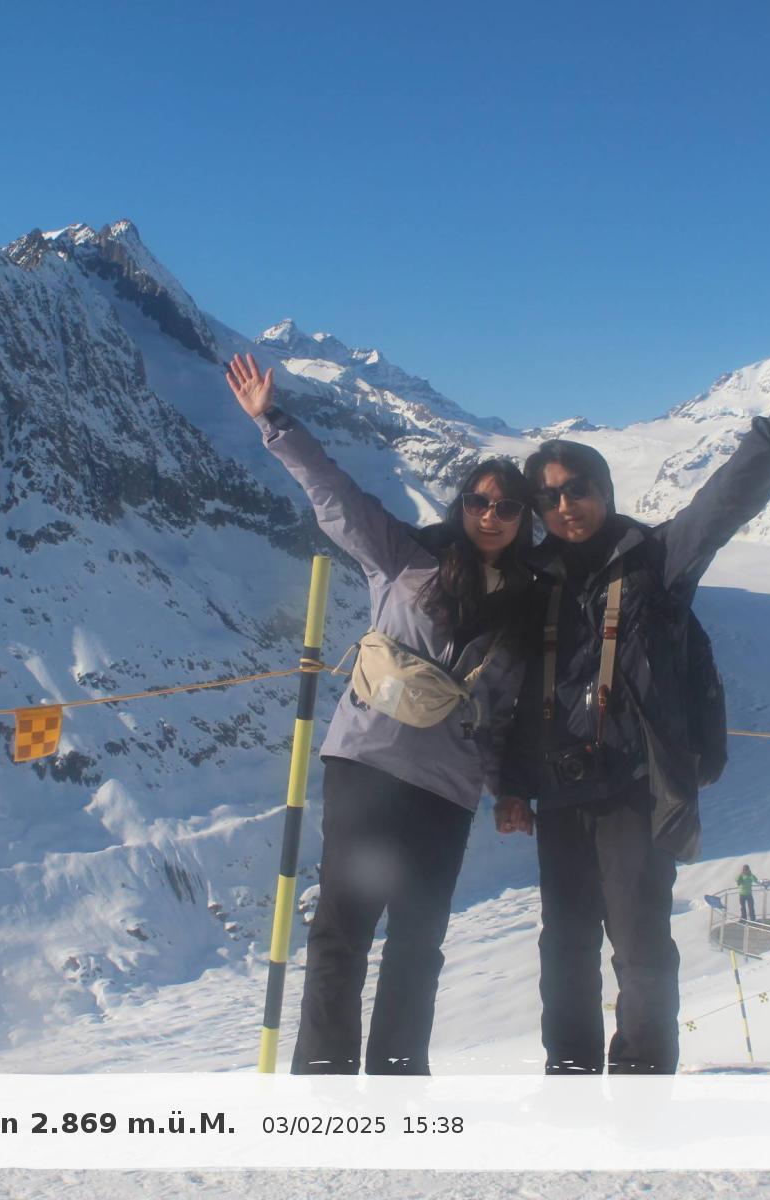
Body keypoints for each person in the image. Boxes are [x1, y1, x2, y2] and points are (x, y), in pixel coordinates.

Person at [496, 362, 770, 1074]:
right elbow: (508, 690)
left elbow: (722, 505)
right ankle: (569, 1075)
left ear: (603, 491)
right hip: (560, 793)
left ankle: (644, 1075)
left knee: (641, 944)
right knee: (564, 945)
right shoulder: (528, 580)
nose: (565, 506)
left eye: (577, 489)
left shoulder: (654, 559)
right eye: (549, 496)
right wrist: (509, 783)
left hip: (635, 788)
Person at [224, 352, 534, 1075]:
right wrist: (273, 421)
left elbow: (501, 712)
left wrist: (507, 788)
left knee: (419, 945)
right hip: (369, 764)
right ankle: (324, 1083)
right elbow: (336, 497)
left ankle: (399, 1083)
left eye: (507, 507)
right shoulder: (407, 557)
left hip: (446, 789)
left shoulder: (528, 606)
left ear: (524, 520)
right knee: (343, 928)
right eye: (479, 501)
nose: (490, 516)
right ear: (461, 505)